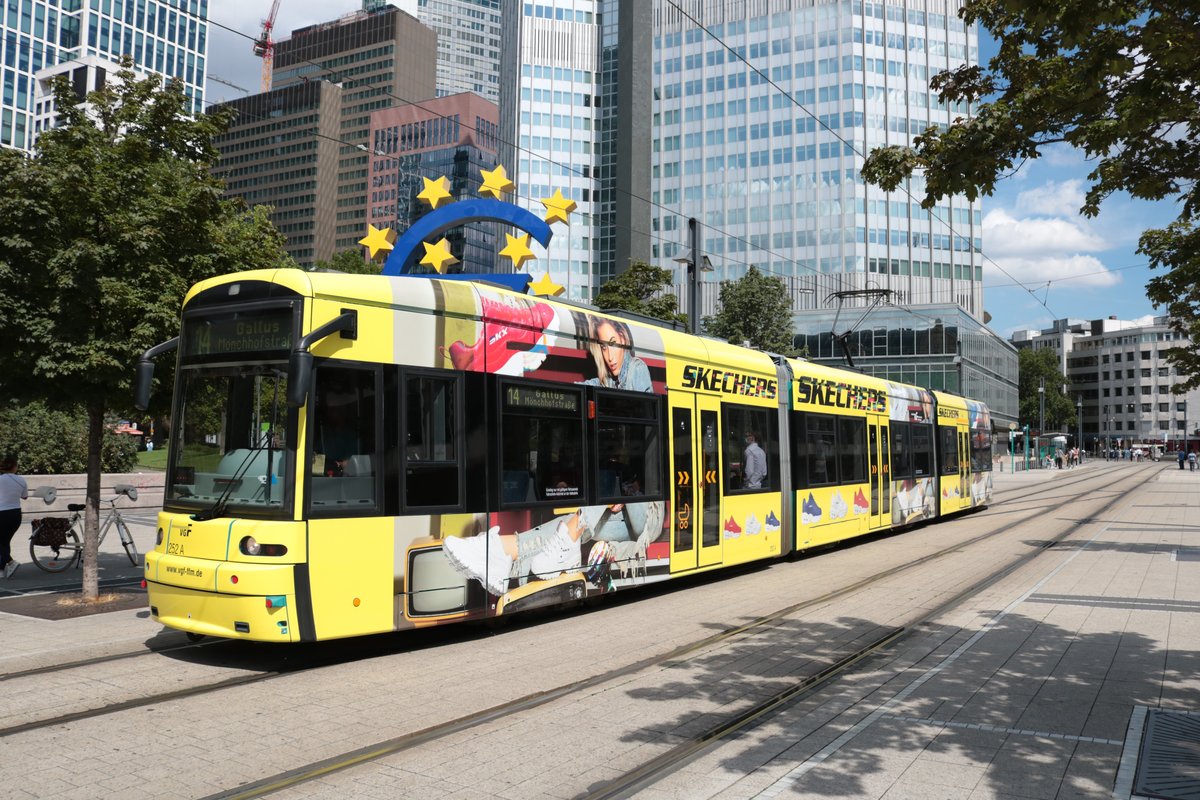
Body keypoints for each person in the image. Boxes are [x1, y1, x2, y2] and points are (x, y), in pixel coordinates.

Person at [581, 317, 652, 392]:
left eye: (613, 343)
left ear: (622, 339)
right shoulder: (607, 380)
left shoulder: (637, 368)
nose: (610, 357)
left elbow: (645, 403)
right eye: (604, 347)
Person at [0, 455, 28, 578]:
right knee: (5, 541)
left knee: (3, 542)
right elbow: (25, 496)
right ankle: (5, 567)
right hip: (16, 514)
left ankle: (8, 564)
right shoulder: (21, 480)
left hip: (2, 513)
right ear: (14, 467)